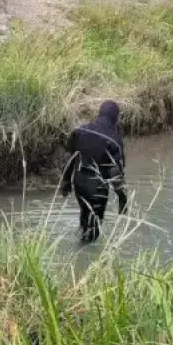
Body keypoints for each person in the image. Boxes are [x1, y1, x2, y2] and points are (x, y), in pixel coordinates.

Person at [59, 100, 129, 242]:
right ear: (115, 118)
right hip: (97, 188)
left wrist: (66, 181)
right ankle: (85, 259)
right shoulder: (114, 140)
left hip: (79, 183)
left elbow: (71, 158)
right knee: (94, 229)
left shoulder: (80, 131)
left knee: (85, 218)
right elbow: (116, 173)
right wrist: (122, 198)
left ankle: (81, 245)